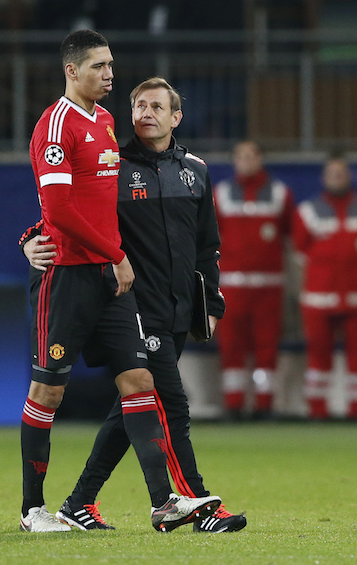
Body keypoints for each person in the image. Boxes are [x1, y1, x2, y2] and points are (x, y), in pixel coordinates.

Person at [22, 77, 245, 533]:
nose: (145, 113)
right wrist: (29, 239)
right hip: (136, 305)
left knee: (134, 407)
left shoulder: (196, 171)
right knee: (172, 404)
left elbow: (209, 246)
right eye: (139, 105)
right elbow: (68, 211)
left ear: (175, 117)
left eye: (156, 106)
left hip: (181, 307)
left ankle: (78, 502)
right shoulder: (113, 166)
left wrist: (213, 301)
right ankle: (194, 502)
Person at [292, 156, 357, 420]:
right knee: (318, 356)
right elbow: (300, 254)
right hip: (319, 298)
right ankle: (317, 409)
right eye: (332, 173)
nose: (337, 177)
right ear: (324, 177)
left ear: (349, 176)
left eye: (341, 173)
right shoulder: (307, 211)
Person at [213, 141, 295, 419]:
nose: (246, 161)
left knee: (266, 346)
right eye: (241, 156)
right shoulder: (221, 195)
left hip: (268, 287)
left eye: (251, 156)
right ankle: (234, 403)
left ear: (260, 159)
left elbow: (288, 238)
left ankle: (264, 404)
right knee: (231, 345)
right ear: (235, 161)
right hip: (232, 286)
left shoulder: (280, 194)